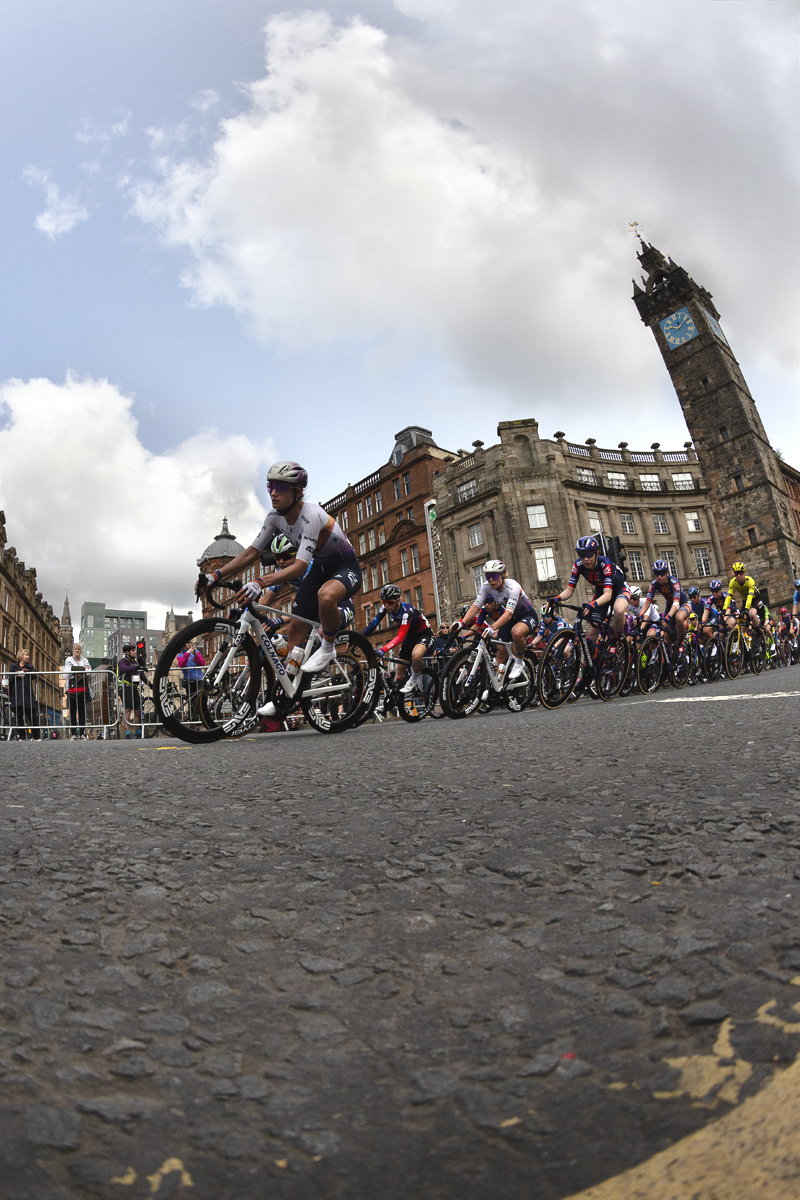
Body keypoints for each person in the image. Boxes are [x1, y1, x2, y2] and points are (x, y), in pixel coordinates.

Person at [196, 462, 360, 679]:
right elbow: (252, 552)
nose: (273, 493)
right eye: (270, 486)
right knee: (294, 631)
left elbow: (300, 565)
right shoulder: (274, 517)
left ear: (297, 491)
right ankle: (288, 695)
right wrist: (215, 576)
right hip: (321, 570)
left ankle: (328, 648)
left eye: (280, 487)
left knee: (326, 595)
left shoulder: (311, 515)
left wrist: (259, 581)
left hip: (344, 566)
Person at [450, 560, 537, 681]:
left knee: (516, 633)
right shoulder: (486, 587)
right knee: (500, 653)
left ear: (503, 575)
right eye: (488, 576)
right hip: (510, 619)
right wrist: (461, 623)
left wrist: (492, 627)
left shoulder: (512, 587)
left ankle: (519, 661)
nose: (491, 580)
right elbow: (475, 606)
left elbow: (508, 614)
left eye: (494, 576)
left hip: (526, 615)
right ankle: (495, 687)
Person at [553, 536, 630, 643]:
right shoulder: (578, 565)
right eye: (582, 555)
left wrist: (593, 604)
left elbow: (608, 595)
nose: (585, 559)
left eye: (589, 555)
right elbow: (569, 590)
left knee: (619, 610)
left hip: (619, 590)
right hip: (601, 592)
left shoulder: (605, 564)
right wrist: (556, 598)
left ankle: (616, 640)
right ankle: (591, 657)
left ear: (596, 553)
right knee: (593, 630)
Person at [362, 583, 434, 694]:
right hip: (410, 635)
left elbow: (400, 636)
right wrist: (359, 639)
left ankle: (414, 679)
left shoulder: (406, 612)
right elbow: (373, 624)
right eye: (383, 602)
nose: (386, 606)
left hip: (424, 634)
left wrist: (383, 649)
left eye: (389, 603)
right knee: (400, 670)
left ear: (397, 601)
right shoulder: (386, 607)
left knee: (416, 655)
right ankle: (393, 698)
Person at [639, 559, 690, 646]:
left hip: (683, 604)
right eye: (656, 574)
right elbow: (647, 602)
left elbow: (676, 603)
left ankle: (682, 641)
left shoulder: (674, 581)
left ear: (667, 573)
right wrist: (640, 615)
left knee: (679, 618)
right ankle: (669, 655)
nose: (659, 577)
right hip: (670, 605)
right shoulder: (654, 584)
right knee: (666, 635)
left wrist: (668, 616)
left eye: (662, 574)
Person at [9, 649, 40, 740]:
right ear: (21, 656)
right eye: (26, 655)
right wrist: (16, 674)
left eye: (28, 655)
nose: (28, 657)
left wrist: (27, 672)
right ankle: (22, 736)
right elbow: (9, 679)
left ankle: (36, 736)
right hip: (17, 693)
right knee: (19, 716)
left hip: (27, 694)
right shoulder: (13, 666)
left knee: (31, 715)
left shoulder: (29, 666)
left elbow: (34, 677)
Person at [723, 562, 763, 632]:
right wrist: (724, 609)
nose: (738, 575)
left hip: (755, 599)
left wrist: (747, 608)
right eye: (736, 573)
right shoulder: (733, 582)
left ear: (744, 572)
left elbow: (750, 596)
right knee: (742, 621)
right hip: (745, 600)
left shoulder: (750, 581)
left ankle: (758, 633)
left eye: (740, 573)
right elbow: (729, 596)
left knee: (752, 614)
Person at [64, 643, 91, 739]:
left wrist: (76, 669)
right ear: (73, 650)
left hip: (82, 689)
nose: (77, 650)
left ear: (81, 650)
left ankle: (82, 733)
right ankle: (73, 733)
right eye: (75, 649)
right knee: (72, 711)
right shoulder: (68, 660)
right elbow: (68, 671)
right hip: (71, 689)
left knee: (82, 711)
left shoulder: (85, 660)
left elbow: (89, 672)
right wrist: (82, 669)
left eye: (79, 649)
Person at [117, 642, 144, 738]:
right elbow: (124, 669)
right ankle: (128, 733)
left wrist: (150, 684)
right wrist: (136, 667)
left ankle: (138, 731)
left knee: (137, 711)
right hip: (124, 686)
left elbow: (141, 675)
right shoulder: (123, 661)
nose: (135, 652)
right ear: (127, 652)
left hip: (133, 687)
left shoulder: (135, 662)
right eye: (133, 650)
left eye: (135, 650)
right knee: (128, 710)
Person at [175, 640, 205, 714]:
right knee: (192, 701)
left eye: (190, 643)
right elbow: (181, 664)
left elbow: (202, 663)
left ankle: (202, 716)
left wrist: (195, 655)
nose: (190, 645)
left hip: (199, 678)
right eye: (188, 643)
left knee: (202, 700)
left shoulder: (196, 652)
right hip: (190, 680)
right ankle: (194, 718)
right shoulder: (180, 655)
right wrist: (187, 653)